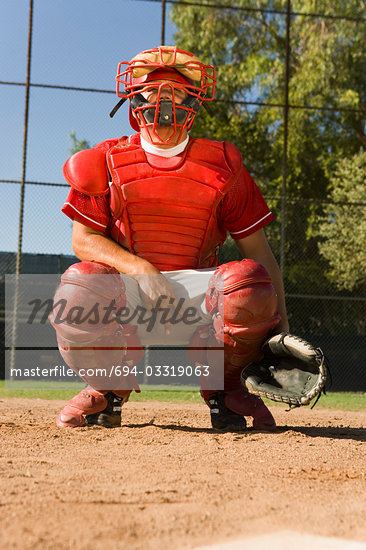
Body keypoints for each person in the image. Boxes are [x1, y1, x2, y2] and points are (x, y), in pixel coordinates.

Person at [51, 46, 289, 431]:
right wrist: (140, 268)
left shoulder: (225, 165)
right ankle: (106, 389)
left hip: (198, 300)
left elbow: (261, 255)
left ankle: (226, 391)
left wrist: (282, 332)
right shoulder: (106, 159)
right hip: (128, 294)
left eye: (176, 90)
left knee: (248, 283)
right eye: (153, 88)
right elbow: (83, 240)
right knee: (80, 285)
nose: (164, 99)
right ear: (135, 99)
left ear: (193, 99)